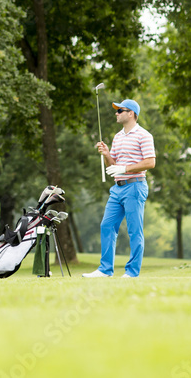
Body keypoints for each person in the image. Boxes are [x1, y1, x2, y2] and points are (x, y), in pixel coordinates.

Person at [82, 99, 155, 278]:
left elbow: (150, 162)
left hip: (135, 186)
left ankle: (132, 272)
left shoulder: (144, 135)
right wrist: (107, 154)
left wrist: (125, 168)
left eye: (120, 110)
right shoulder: (118, 137)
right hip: (117, 188)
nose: (116, 113)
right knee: (107, 225)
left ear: (131, 113)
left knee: (134, 231)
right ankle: (105, 269)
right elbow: (113, 165)